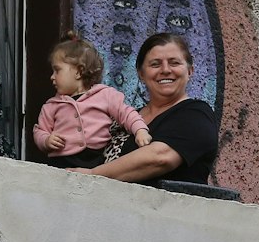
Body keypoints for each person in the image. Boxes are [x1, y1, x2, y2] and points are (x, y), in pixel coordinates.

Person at [76, 32, 219, 185]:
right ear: (141, 74)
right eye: (155, 64)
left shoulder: (197, 115)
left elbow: (160, 158)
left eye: (174, 63)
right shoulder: (126, 118)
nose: (165, 70)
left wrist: (92, 175)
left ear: (190, 71)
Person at [33, 33, 151, 169]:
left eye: (57, 70)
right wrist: (46, 140)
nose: (52, 77)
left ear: (79, 72)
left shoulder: (105, 95)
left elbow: (126, 113)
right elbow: (40, 130)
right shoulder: (52, 105)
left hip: (95, 161)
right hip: (61, 162)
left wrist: (140, 130)